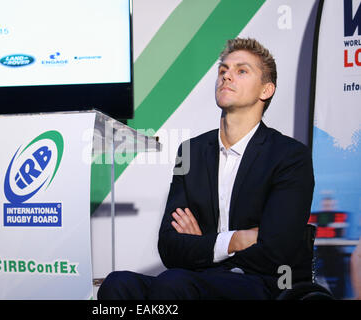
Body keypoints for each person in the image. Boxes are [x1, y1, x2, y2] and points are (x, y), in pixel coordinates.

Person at [97, 38, 315, 300]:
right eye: (223, 70)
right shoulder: (191, 151)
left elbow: (277, 251)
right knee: (117, 284)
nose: (227, 77)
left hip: (265, 284)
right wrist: (232, 240)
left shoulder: (289, 156)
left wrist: (205, 244)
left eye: (241, 71)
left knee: (174, 283)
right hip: (201, 279)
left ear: (266, 90)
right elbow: (169, 247)